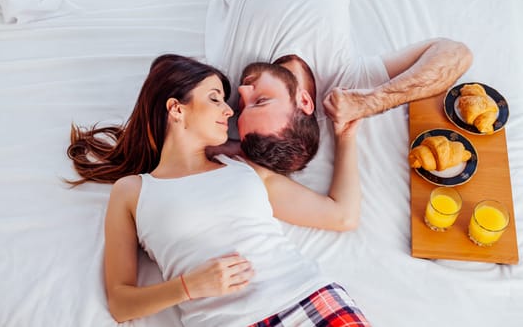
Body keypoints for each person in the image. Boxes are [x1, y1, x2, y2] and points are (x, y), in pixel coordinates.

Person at [67, 54, 371, 326]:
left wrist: (345, 135)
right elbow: (121, 305)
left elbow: (342, 215)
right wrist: (188, 286)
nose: (229, 111)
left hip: (309, 301)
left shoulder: (245, 169)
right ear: (175, 109)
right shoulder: (132, 191)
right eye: (215, 98)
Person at [205, 0, 473, 175]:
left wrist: (234, 149)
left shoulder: (222, 79)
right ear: (305, 101)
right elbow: (456, 53)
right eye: (259, 101)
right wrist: (371, 103)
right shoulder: (344, 83)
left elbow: (195, 142)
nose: (241, 92)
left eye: (242, 108)